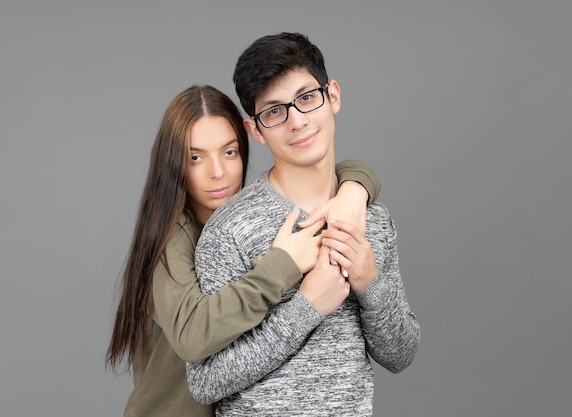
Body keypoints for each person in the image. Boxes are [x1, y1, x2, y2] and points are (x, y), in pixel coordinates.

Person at [105, 84, 382, 416]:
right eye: (195, 157)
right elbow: (194, 336)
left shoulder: (243, 223)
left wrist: (356, 187)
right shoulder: (172, 236)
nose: (218, 172)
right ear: (173, 164)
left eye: (229, 152)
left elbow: (339, 171)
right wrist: (283, 266)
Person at [186, 33, 420, 416]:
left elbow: (400, 354)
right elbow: (205, 381)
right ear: (256, 131)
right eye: (275, 111)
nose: (297, 121)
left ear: (333, 97)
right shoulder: (230, 231)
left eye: (306, 98)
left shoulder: (371, 218)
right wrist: (308, 307)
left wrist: (370, 282)